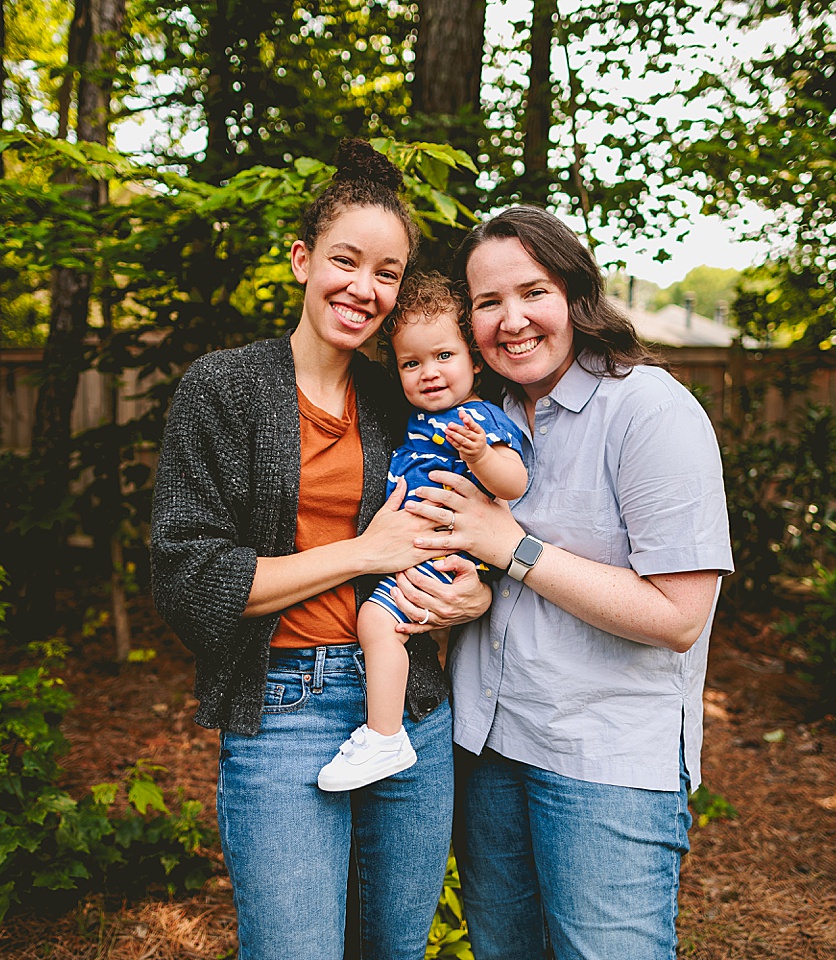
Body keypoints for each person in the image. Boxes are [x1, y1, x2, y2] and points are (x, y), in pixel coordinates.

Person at [148, 140, 491, 960]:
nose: (363, 288)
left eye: (387, 272)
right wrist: (361, 553)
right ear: (303, 260)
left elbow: (465, 515)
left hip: (408, 706)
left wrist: (473, 594)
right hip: (283, 711)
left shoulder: (398, 395)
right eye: (346, 260)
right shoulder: (224, 388)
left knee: (394, 949)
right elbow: (187, 575)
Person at [406, 205, 733, 960]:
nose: (511, 320)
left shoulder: (649, 410)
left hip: (603, 763)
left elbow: (680, 616)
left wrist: (513, 548)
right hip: (487, 750)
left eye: (533, 292)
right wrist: (469, 598)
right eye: (487, 302)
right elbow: (489, 580)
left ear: (576, 295)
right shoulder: (483, 419)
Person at [318, 273, 529, 792]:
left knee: (376, 621)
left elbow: (515, 482)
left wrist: (481, 455)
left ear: (475, 360)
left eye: (443, 357)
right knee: (387, 625)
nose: (428, 373)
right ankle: (386, 729)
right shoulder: (415, 418)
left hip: (438, 549)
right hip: (418, 548)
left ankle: (384, 734)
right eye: (412, 363)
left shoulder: (477, 417)